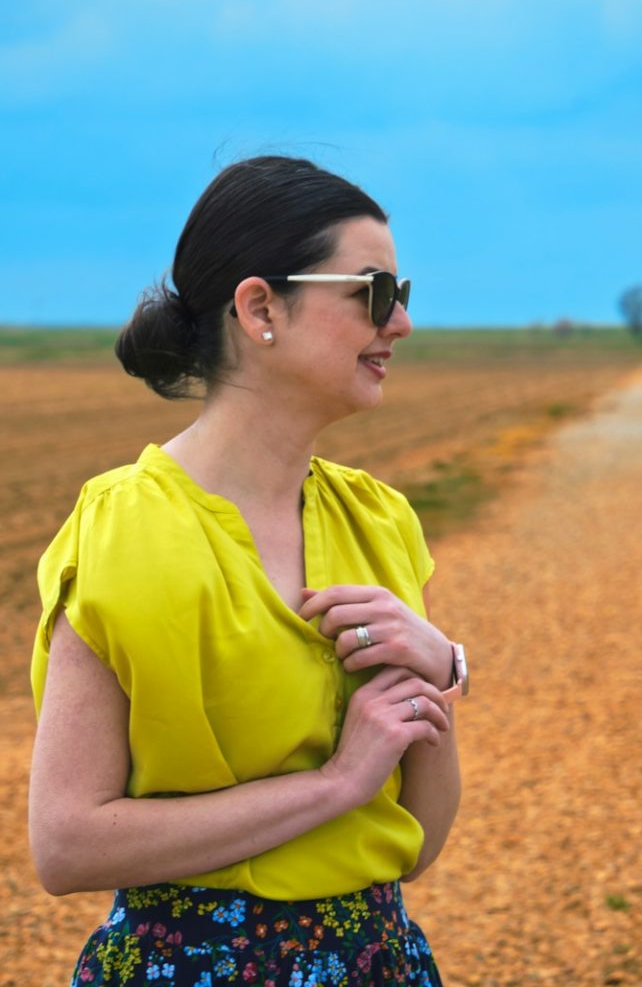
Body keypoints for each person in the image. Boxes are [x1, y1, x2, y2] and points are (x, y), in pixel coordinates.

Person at [28, 155, 468, 986]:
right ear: (261, 306)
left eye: (402, 295)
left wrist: (443, 670)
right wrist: (335, 785)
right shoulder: (124, 532)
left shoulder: (379, 524)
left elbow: (417, 841)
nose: (400, 322)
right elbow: (65, 843)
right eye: (375, 293)